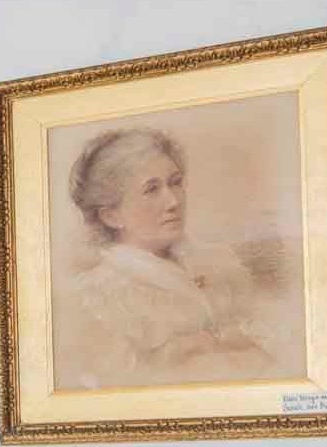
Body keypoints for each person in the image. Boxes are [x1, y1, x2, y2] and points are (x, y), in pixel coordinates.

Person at [57, 126, 276, 388]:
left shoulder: (218, 263)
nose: (173, 201)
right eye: (152, 190)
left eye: (175, 183)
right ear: (111, 216)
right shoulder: (99, 297)